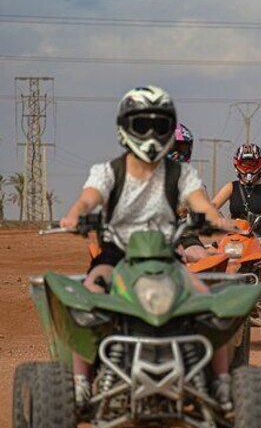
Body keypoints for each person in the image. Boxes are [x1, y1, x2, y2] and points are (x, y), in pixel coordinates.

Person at [59, 85, 233, 409]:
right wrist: (74, 216)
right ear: (126, 128)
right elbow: (89, 197)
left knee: (209, 301)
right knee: (86, 298)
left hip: (165, 255)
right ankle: (80, 382)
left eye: (160, 125)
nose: (151, 134)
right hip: (118, 254)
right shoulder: (109, 171)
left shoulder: (180, 174)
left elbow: (201, 202)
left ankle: (222, 384)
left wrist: (215, 219)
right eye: (142, 125)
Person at [211, 143, 261, 250]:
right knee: (213, 250)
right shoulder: (231, 187)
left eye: (252, 164)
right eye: (244, 164)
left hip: (260, 237)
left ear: (260, 164)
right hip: (234, 236)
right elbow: (213, 205)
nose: (248, 168)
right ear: (237, 164)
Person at [169, 122, 211, 263]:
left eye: (181, 149)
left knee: (202, 257)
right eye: (172, 148)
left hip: (185, 237)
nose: (176, 154)